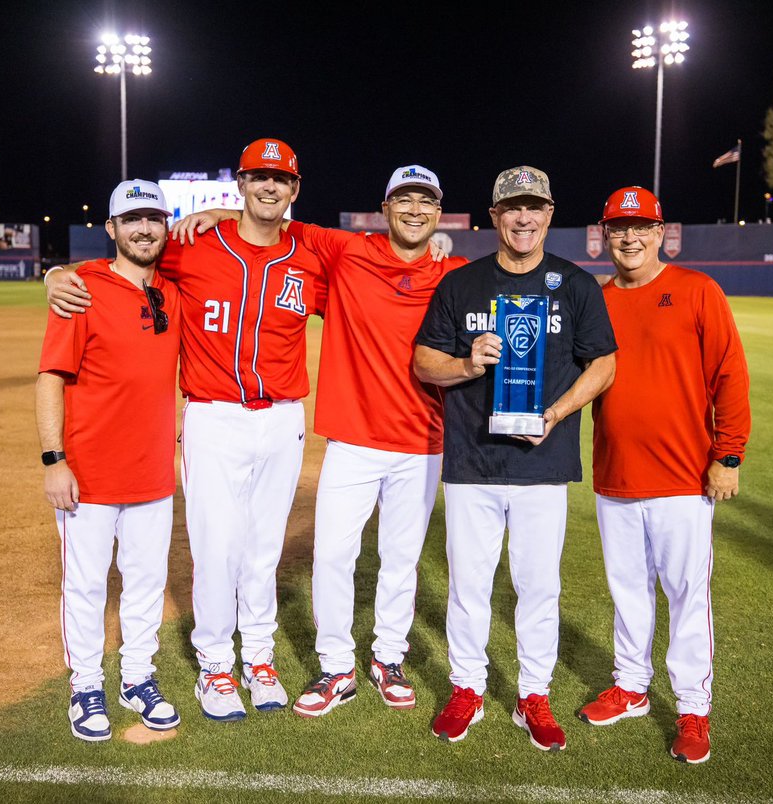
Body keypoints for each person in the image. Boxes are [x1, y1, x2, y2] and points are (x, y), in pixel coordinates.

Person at [172, 164, 469, 718]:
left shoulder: (455, 275)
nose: (413, 209)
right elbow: (268, 220)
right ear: (385, 208)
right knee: (333, 556)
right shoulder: (342, 248)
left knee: (401, 559)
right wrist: (219, 214)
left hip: (424, 438)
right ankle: (336, 666)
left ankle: (388, 657)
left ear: (439, 210)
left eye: (425, 200)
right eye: (403, 199)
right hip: (351, 438)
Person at [46, 139, 327, 722]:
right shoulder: (188, 251)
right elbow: (123, 259)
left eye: (280, 180)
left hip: (282, 420)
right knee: (217, 550)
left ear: (294, 190)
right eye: (257, 178)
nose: (268, 187)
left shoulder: (308, 256)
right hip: (213, 418)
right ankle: (215, 666)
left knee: (262, 550)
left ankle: (259, 657)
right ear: (241, 184)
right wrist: (54, 272)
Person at [413, 167, 618, 752]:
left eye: (534, 208)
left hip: (543, 465)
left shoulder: (576, 285)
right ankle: (467, 688)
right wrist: (468, 365)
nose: (523, 219)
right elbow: (425, 361)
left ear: (549, 214)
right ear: (494, 216)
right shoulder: (462, 284)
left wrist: (554, 415)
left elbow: (603, 365)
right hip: (473, 463)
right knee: (469, 585)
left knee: (538, 587)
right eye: (512, 209)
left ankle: (533, 695)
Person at [578, 186, 751, 765]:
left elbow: (730, 374)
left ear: (661, 233)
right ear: (605, 236)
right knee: (627, 592)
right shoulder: (596, 300)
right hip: (616, 473)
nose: (629, 238)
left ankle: (693, 708)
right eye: (618, 228)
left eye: (641, 228)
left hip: (683, 478)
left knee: (685, 596)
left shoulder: (697, 290)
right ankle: (631, 687)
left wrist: (727, 457)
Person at [36, 179, 183, 742]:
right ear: (112, 229)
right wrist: (54, 459)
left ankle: (138, 678)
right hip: (89, 476)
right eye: (132, 220)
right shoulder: (82, 290)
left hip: (152, 474)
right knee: (86, 585)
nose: (144, 229)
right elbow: (50, 377)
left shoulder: (173, 293)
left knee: (147, 582)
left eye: (154, 219)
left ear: (165, 227)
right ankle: (86, 686)